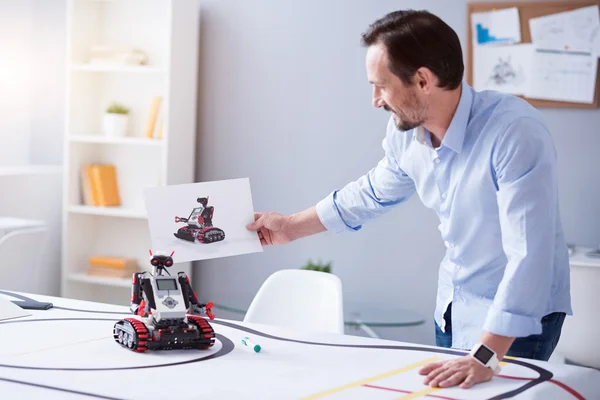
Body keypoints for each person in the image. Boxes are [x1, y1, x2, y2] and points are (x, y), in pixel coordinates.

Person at [246, 9, 572, 390]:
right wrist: (288, 227)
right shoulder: (407, 132)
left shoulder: (515, 133)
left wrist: (487, 354)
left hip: (518, 320)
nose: (375, 100)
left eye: (381, 86)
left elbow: (529, 254)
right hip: (453, 306)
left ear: (422, 80)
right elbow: (370, 192)